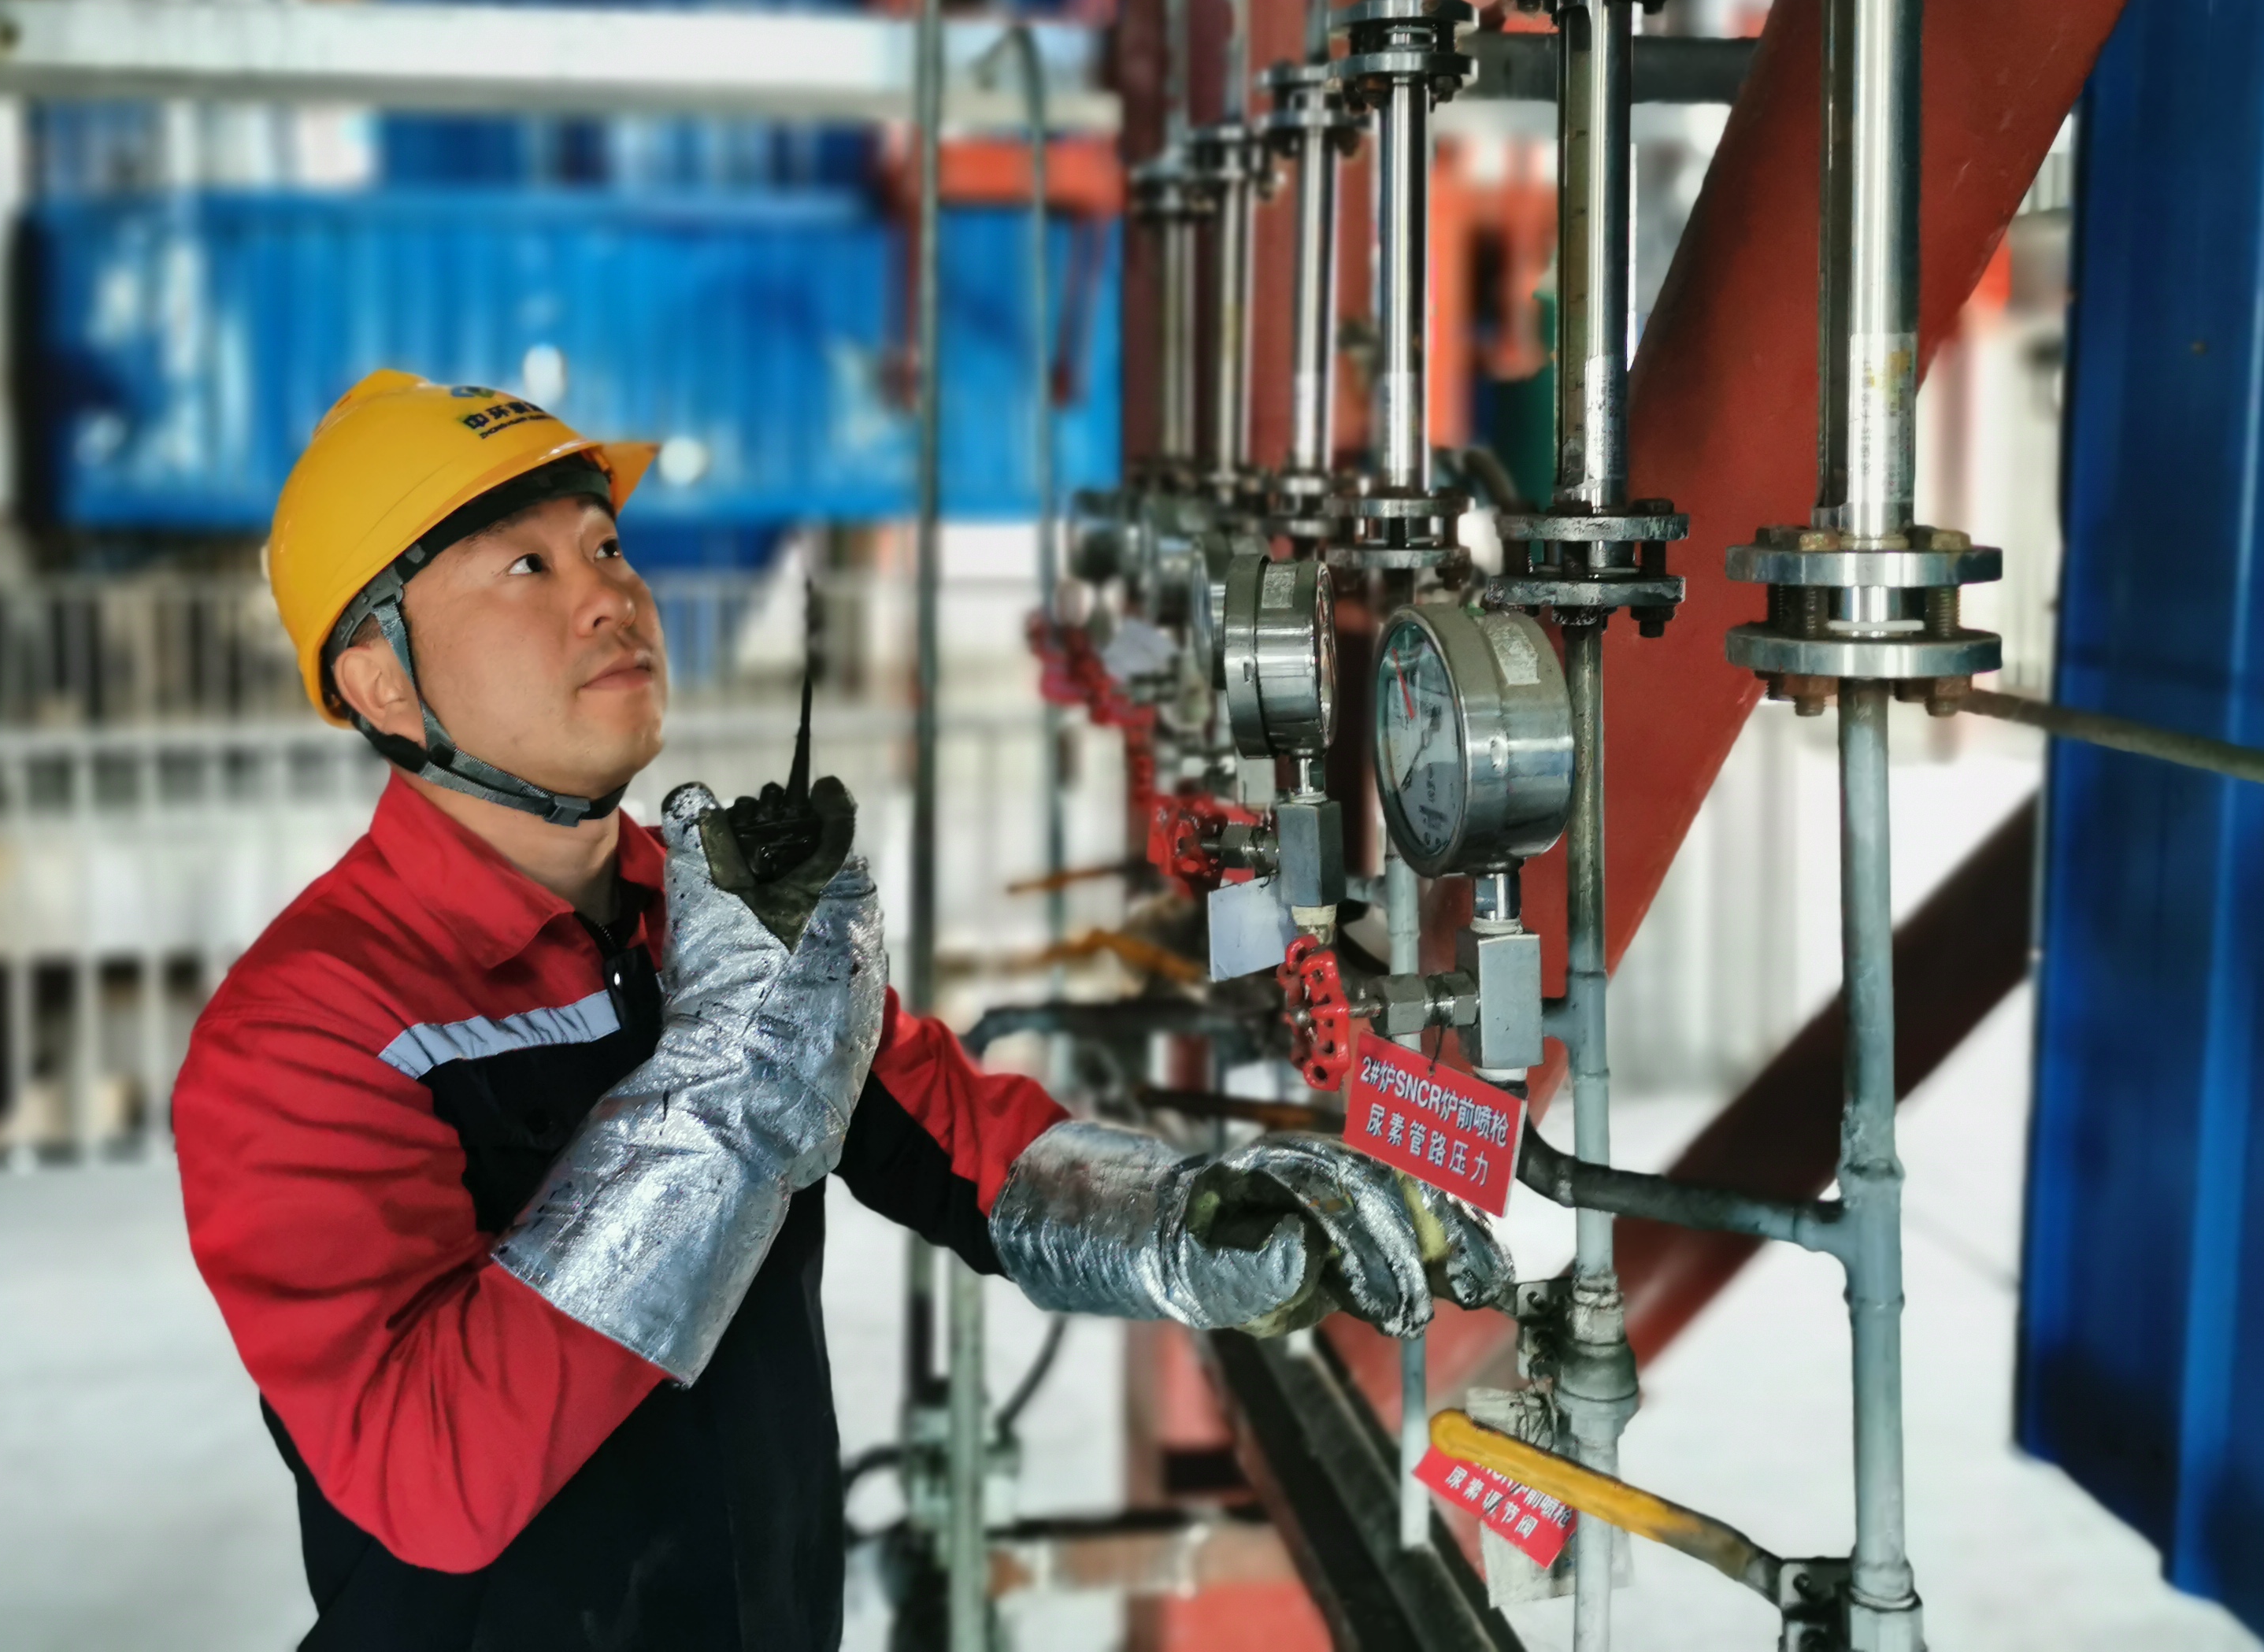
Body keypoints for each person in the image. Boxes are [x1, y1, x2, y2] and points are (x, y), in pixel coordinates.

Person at [175, 368, 1515, 1650]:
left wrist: (1193, 1222)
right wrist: (731, 1061)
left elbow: (953, 1140)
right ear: (383, 682)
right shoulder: (308, 1032)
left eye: (607, 549)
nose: (609, 600)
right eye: (527, 568)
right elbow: (435, 1472)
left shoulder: (696, 915)